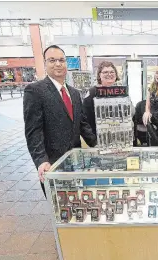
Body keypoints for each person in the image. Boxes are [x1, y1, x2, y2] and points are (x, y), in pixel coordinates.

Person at [23, 45, 97, 198]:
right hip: (53, 164)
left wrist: (97, 145)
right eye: (52, 60)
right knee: (59, 208)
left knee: (78, 200)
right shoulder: (35, 91)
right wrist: (41, 161)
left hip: (75, 161)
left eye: (61, 60)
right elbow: (33, 131)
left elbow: (82, 123)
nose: (58, 64)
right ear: (45, 63)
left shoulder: (75, 93)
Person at [82, 61, 122, 136]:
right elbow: (85, 118)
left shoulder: (121, 91)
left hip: (119, 136)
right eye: (105, 72)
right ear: (99, 75)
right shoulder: (93, 92)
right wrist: (92, 140)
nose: (109, 74)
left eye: (112, 72)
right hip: (99, 137)